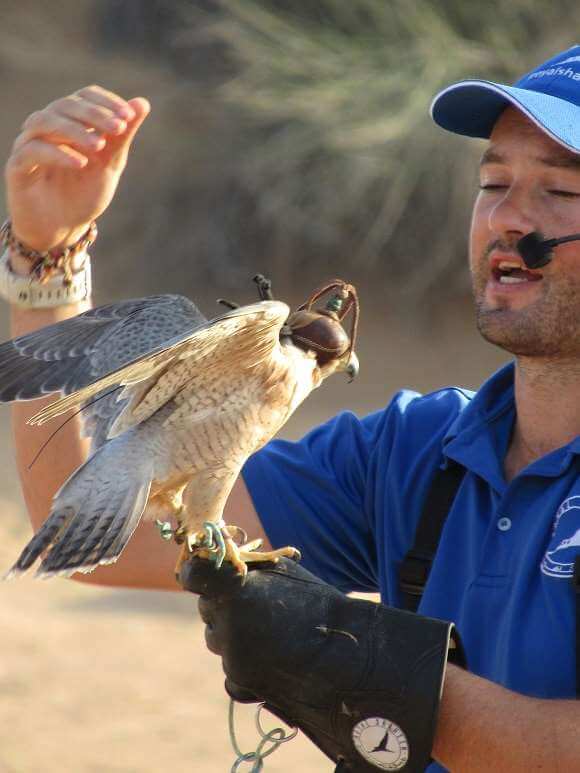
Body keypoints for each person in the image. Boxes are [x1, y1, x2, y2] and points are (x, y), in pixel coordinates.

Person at [4, 43, 580, 771]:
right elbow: (97, 520)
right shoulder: (415, 450)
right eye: (492, 182)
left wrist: (360, 667)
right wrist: (47, 256)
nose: (506, 216)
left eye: (561, 194)